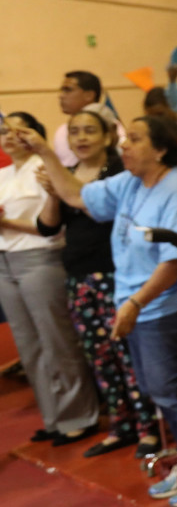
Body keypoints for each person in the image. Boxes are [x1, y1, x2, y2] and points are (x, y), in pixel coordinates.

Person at [23, 115, 177, 507]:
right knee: (160, 390)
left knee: (175, 390)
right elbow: (75, 195)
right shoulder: (129, 182)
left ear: (159, 149)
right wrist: (43, 151)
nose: (124, 146)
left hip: (169, 305)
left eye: (135, 140)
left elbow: (176, 260)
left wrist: (136, 303)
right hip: (138, 304)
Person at [36, 109, 159, 457]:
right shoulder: (67, 174)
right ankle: (121, 424)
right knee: (99, 355)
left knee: (126, 352)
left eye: (90, 131)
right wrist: (53, 192)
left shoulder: (120, 173)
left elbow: (103, 212)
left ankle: (147, 426)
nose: (82, 138)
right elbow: (47, 227)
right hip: (78, 277)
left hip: (115, 274)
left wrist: (73, 191)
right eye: (75, 132)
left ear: (108, 137)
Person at [0, 112, 100, 446]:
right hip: (5, 263)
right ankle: (54, 417)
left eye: (16, 131)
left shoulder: (44, 169)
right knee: (29, 347)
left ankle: (80, 415)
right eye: (3, 132)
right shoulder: (2, 174)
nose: (9, 137)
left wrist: (9, 223)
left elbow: (50, 225)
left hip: (39, 257)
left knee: (56, 341)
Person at [53, 72, 124, 167]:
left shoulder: (111, 126)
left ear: (89, 95)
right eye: (74, 132)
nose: (61, 96)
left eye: (68, 90)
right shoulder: (61, 130)